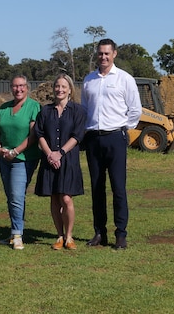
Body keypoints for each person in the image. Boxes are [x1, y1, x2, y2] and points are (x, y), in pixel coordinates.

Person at [81, 38, 142, 250]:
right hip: (94, 139)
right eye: (100, 53)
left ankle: (121, 234)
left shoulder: (125, 79)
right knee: (97, 188)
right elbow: (85, 109)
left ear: (114, 54)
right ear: (97, 54)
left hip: (115, 138)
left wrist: (124, 129)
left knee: (118, 188)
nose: (103, 57)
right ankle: (100, 232)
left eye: (107, 53)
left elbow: (135, 110)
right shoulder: (89, 80)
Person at [34, 74, 87, 250]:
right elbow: (39, 134)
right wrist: (50, 154)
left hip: (68, 160)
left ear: (70, 89)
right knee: (55, 198)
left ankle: (69, 236)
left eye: (64, 86)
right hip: (49, 160)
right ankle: (59, 236)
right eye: (57, 86)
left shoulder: (78, 111)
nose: (60, 89)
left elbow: (78, 135)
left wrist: (60, 153)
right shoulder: (45, 111)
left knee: (66, 198)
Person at [0, 75, 41, 249]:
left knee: (16, 196)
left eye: (21, 86)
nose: (18, 89)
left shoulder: (34, 106)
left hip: (24, 158)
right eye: (14, 86)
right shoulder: (4, 108)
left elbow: (33, 135)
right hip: (4, 158)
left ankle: (17, 234)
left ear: (27, 87)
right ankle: (14, 232)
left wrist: (15, 151)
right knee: (11, 196)